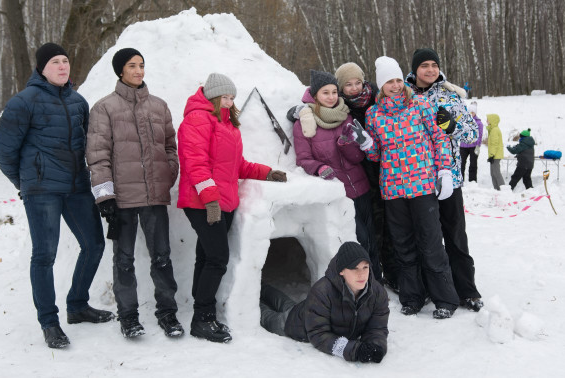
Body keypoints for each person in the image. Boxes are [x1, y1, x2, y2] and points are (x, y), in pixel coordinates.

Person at [0, 43, 113, 349]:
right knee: (44, 255)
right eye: (55, 62)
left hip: (76, 187)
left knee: (94, 244)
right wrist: (25, 182)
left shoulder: (78, 102)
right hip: (42, 190)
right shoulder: (24, 102)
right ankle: (49, 321)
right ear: (42, 68)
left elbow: (87, 144)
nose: (63, 66)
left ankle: (77, 305)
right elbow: (3, 151)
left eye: (65, 61)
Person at [178, 73, 287, 343]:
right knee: (217, 258)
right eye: (225, 97)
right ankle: (202, 319)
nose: (229, 102)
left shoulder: (227, 125)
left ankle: (202, 309)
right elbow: (195, 163)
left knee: (206, 257)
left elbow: (237, 166)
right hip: (202, 201)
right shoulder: (197, 120)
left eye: (232, 98)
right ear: (213, 96)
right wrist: (210, 199)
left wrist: (266, 173)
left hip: (223, 202)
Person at [86, 48, 182, 339]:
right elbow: (98, 156)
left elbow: (170, 147)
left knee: (162, 257)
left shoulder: (159, 106)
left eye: (142, 65)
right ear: (120, 71)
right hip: (123, 200)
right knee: (123, 260)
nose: (139, 70)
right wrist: (105, 197)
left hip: (154, 196)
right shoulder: (104, 108)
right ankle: (128, 317)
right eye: (132, 66)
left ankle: (168, 314)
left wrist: (168, 173)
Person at [365, 56, 459, 319]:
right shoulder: (373, 114)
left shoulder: (421, 105)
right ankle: (412, 297)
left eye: (397, 80)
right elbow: (375, 155)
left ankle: (445, 299)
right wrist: (364, 144)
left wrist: (444, 171)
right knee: (402, 245)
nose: (395, 86)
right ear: (381, 85)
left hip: (423, 186)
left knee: (431, 243)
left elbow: (440, 138)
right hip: (393, 189)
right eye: (389, 82)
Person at [405, 48, 483, 312]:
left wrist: (450, 125)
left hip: (450, 177)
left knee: (455, 234)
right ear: (414, 69)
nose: (430, 70)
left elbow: (472, 134)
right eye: (424, 65)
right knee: (425, 238)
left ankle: (466, 290)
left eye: (434, 65)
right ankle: (430, 287)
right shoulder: (403, 96)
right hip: (416, 179)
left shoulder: (450, 96)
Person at [292, 70, 378, 280]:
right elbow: (303, 158)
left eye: (333, 92)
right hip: (340, 191)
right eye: (325, 93)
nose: (331, 97)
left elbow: (357, 158)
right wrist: (319, 168)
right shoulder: (304, 121)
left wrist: (347, 144)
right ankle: (361, 280)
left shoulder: (345, 116)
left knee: (372, 238)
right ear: (314, 95)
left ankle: (376, 279)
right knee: (358, 238)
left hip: (362, 187)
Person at [259, 242, 389, 363]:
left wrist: (376, 346)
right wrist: (354, 350)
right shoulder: (322, 290)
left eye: (365, 267)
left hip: (308, 309)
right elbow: (319, 334)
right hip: (296, 324)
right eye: (355, 269)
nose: (361, 274)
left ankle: (262, 287)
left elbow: (377, 327)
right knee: (265, 315)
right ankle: (254, 293)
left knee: (284, 303)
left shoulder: (377, 293)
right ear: (342, 271)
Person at [334, 62, 390, 284]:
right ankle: (375, 272)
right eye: (348, 84)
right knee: (373, 226)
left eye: (358, 82)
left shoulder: (378, 99)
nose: (355, 88)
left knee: (392, 224)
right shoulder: (341, 108)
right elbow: (316, 101)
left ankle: (393, 270)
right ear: (341, 88)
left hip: (389, 168)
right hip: (363, 174)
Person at [460, 101, 484, 182]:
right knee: (461, 164)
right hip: (463, 146)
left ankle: (472, 181)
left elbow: (480, 135)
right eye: (469, 112)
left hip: (474, 146)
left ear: (475, 112)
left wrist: (478, 146)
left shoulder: (479, 123)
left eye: (473, 112)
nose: (471, 113)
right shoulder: (464, 121)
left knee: (473, 164)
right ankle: (460, 180)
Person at [486, 114, 506, 190]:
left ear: (492, 121)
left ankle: (503, 189)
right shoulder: (493, 129)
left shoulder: (495, 130)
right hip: (494, 155)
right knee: (493, 174)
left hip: (495, 156)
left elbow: (494, 144)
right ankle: (496, 190)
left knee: (496, 173)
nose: (486, 121)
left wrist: (492, 155)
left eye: (488, 119)